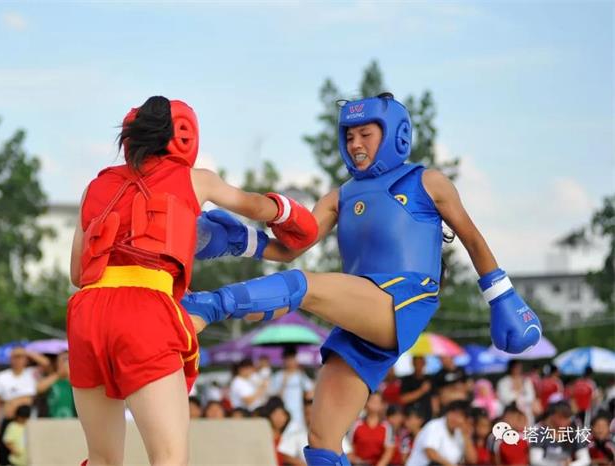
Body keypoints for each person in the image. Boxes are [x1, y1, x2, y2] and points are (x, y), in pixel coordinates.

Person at [185, 92, 542, 466]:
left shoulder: (426, 181)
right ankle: (205, 308)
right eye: (349, 135)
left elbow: (471, 237)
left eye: (365, 134)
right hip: (361, 313)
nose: (355, 144)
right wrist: (239, 241)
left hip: (402, 298)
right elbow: (290, 247)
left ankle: (206, 308)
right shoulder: (340, 196)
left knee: (303, 285)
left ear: (395, 135)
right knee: (322, 443)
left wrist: (502, 298)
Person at [67, 96, 318, 466]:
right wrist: (289, 212)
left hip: (87, 314)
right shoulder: (195, 179)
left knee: (102, 458)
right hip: (144, 308)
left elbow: (77, 274)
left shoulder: (94, 188)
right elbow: (253, 205)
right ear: (182, 137)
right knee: (169, 456)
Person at [0, 346, 49, 466]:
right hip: (9, 420)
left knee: (26, 455)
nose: (18, 360)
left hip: (26, 422)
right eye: (15, 357)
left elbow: (46, 364)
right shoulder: (2, 377)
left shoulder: (31, 374)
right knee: (5, 457)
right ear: (10, 359)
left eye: (21, 356)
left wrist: (28, 352)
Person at [406, 400, 477, 466]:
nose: (454, 418)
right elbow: (431, 453)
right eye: (453, 413)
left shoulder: (459, 432)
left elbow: (472, 460)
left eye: (459, 416)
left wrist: (466, 436)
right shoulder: (434, 425)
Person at [529, 401, 590, 466]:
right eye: (561, 417)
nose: (565, 420)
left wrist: (571, 465)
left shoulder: (573, 434)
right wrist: (559, 464)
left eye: (567, 417)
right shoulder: (540, 434)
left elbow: (585, 459)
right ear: (552, 416)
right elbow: (535, 461)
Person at [269, 346, 314, 428]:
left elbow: (310, 394)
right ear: (283, 360)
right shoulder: (278, 376)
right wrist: (284, 383)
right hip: (283, 418)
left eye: (292, 359)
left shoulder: (301, 376)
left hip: (299, 417)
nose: (290, 362)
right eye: (288, 359)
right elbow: (275, 398)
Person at [348, 392, 395, 466]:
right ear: (366, 403)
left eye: (377, 401)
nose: (374, 403)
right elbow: (348, 447)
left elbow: (389, 451)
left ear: (382, 405)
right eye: (372, 400)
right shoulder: (356, 424)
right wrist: (357, 461)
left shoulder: (387, 427)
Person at [36, 351, 76, 418]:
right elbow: (38, 389)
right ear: (57, 362)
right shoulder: (52, 377)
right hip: (51, 420)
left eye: (68, 360)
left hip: (73, 420)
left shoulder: (75, 380)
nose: (66, 363)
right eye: (64, 360)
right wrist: (58, 374)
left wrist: (70, 375)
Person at [497, 360, 538, 424]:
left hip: (526, 413)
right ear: (511, 368)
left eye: (519, 367)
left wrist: (519, 397)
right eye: (515, 367)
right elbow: (504, 398)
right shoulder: (503, 382)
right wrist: (517, 393)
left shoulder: (526, 381)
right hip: (510, 413)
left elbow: (531, 397)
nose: (517, 369)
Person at [400, 357, 435, 421]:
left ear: (424, 363)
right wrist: (422, 390)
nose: (419, 365)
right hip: (411, 416)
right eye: (416, 363)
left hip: (427, 415)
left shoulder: (430, 379)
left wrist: (435, 414)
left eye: (420, 363)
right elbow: (403, 399)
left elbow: (434, 398)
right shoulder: (406, 380)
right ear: (413, 363)